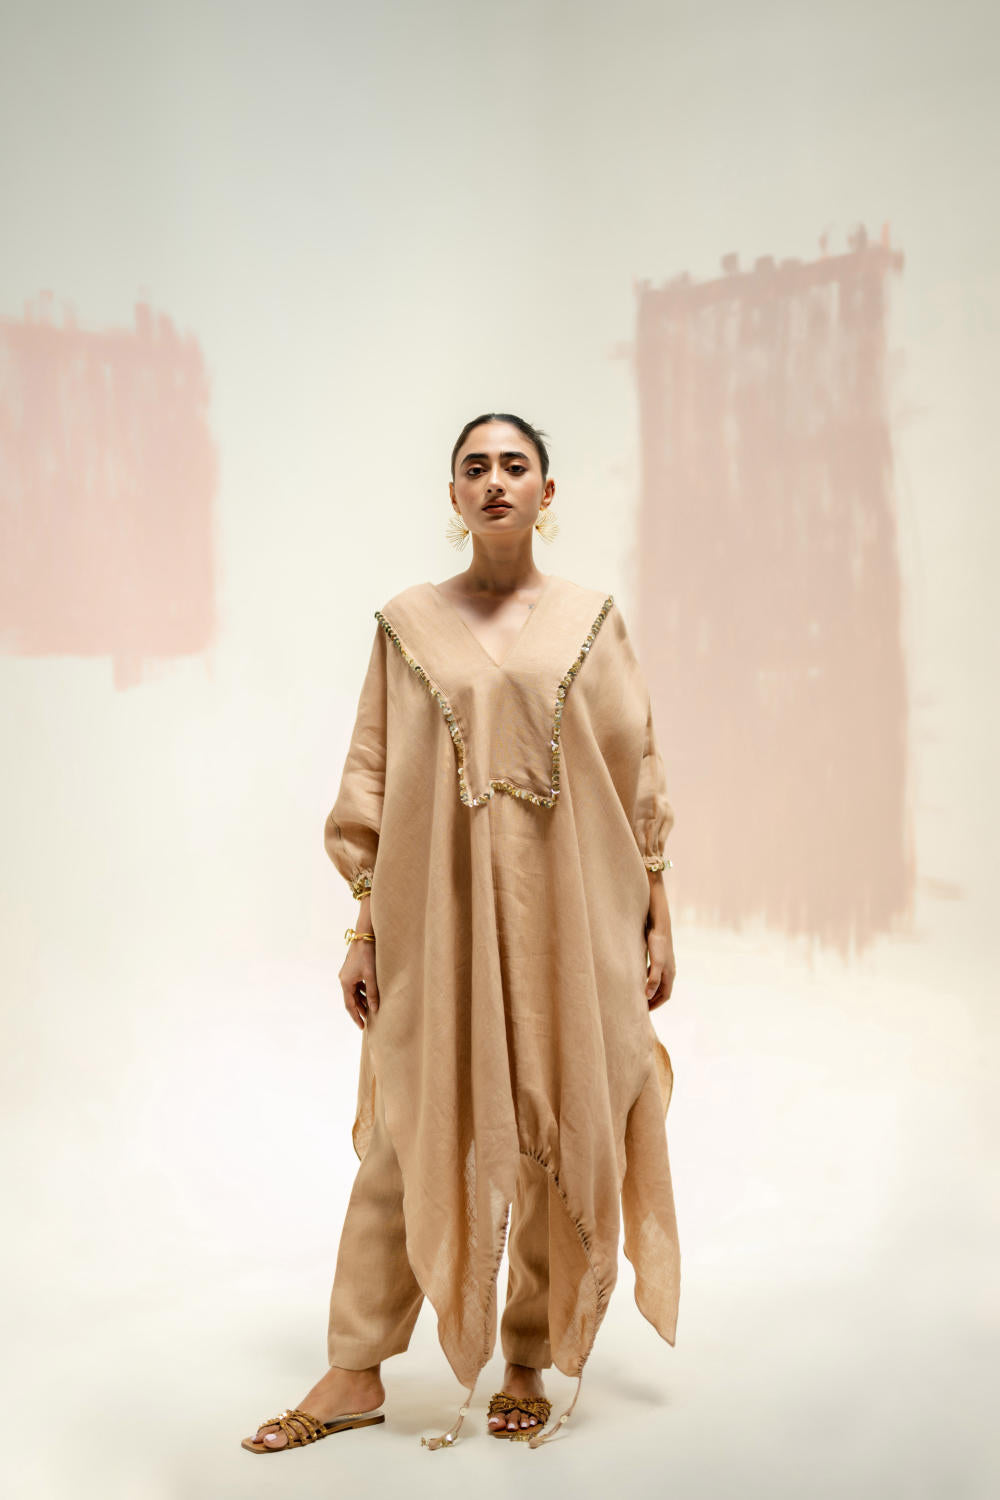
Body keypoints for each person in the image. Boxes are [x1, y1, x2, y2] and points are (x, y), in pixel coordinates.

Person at [242, 413, 680, 1455]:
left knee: (557, 1118)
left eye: (514, 466)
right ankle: (355, 1366)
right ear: (453, 496)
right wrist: (362, 928)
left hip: (572, 916)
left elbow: (635, 765)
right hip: (436, 915)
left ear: (546, 491)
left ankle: (527, 1353)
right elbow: (372, 770)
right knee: (412, 1125)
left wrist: (659, 907)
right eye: (474, 467)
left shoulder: (590, 620)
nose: (494, 481)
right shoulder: (408, 625)